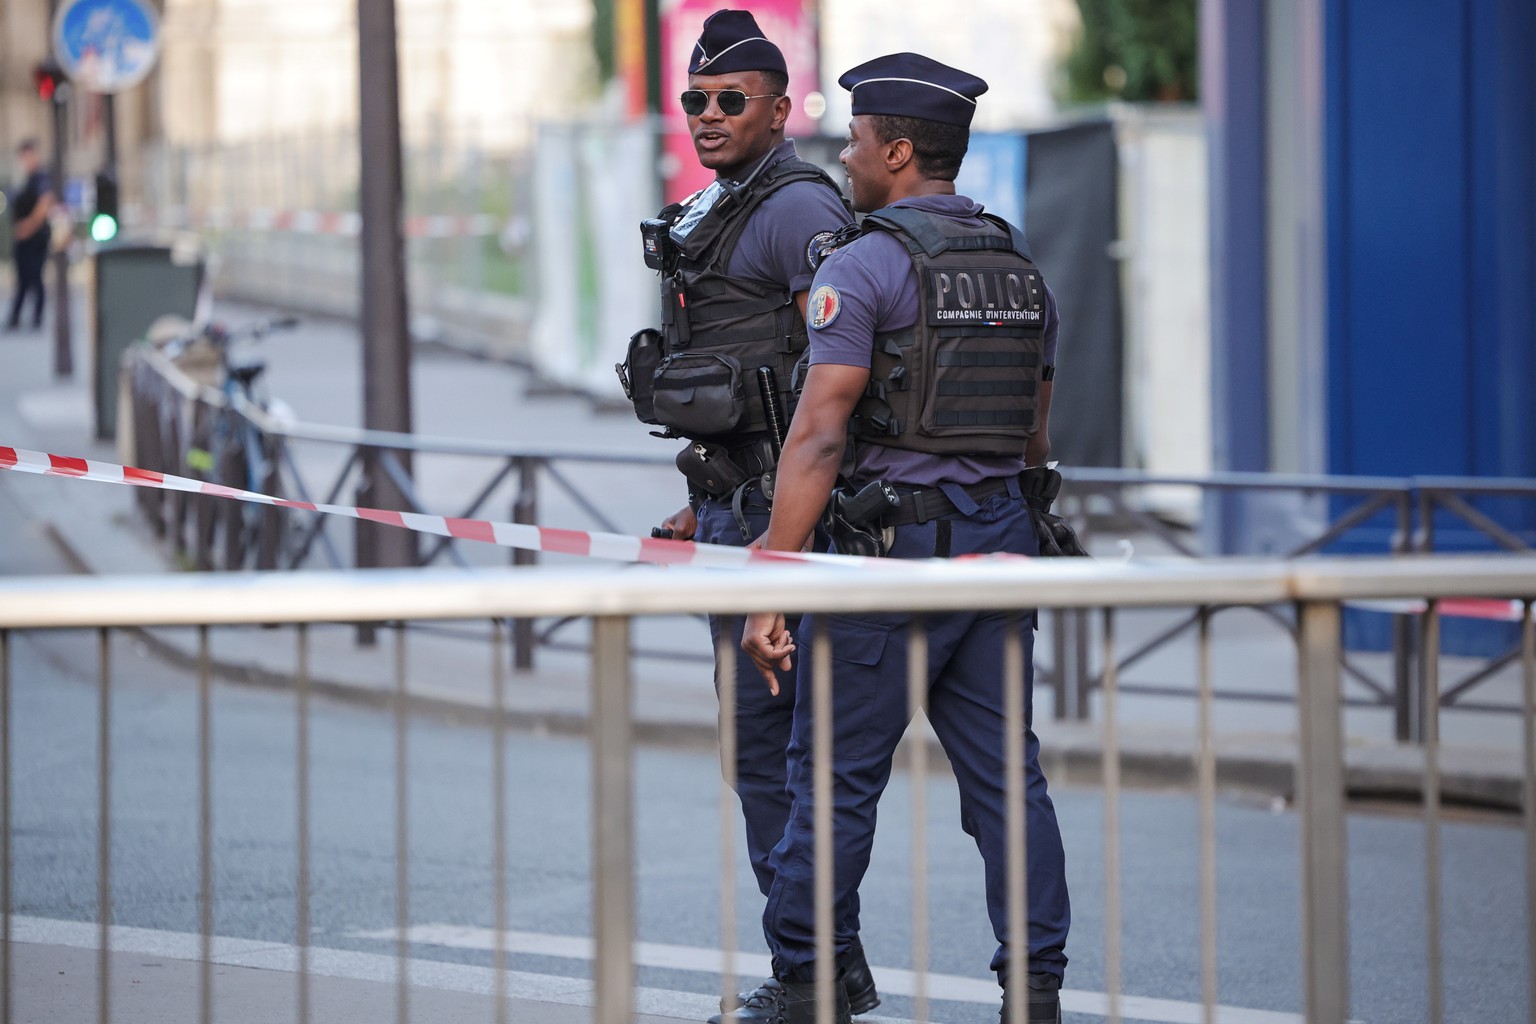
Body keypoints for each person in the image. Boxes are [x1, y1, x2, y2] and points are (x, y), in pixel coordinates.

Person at [739, 53, 1071, 1024]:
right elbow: (1036, 434)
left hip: (889, 562)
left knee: (833, 782)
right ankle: (1035, 991)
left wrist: (771, 582)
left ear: (895, 150)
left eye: (853, 140)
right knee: (1010, 782)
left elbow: (819, 429)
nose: (843, 157)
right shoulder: (1019, 268)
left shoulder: (865, 263)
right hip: (1000, 552)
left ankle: (808, 983)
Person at [614, 10, 876, 1021]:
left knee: (783, 756)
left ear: (779, 106)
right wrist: (696, 503)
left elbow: (835, 379)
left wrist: (784, 538)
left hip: (783, 526)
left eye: (731, 100)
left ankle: (815, 971)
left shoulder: (798, 207)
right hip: (731, 513)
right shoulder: (723, 205)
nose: (709, 115)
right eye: (695, 101)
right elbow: (731, 383)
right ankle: (823, 963)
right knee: (758, 754)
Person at [7, 139, 53, 332]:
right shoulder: (26, 178)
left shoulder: (40, 177)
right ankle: (16, 317)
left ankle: (35, 318)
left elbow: (45, 203)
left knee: (34, 277)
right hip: (24, 237)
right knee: (23, 279)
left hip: (35, 237)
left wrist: (29, 226)